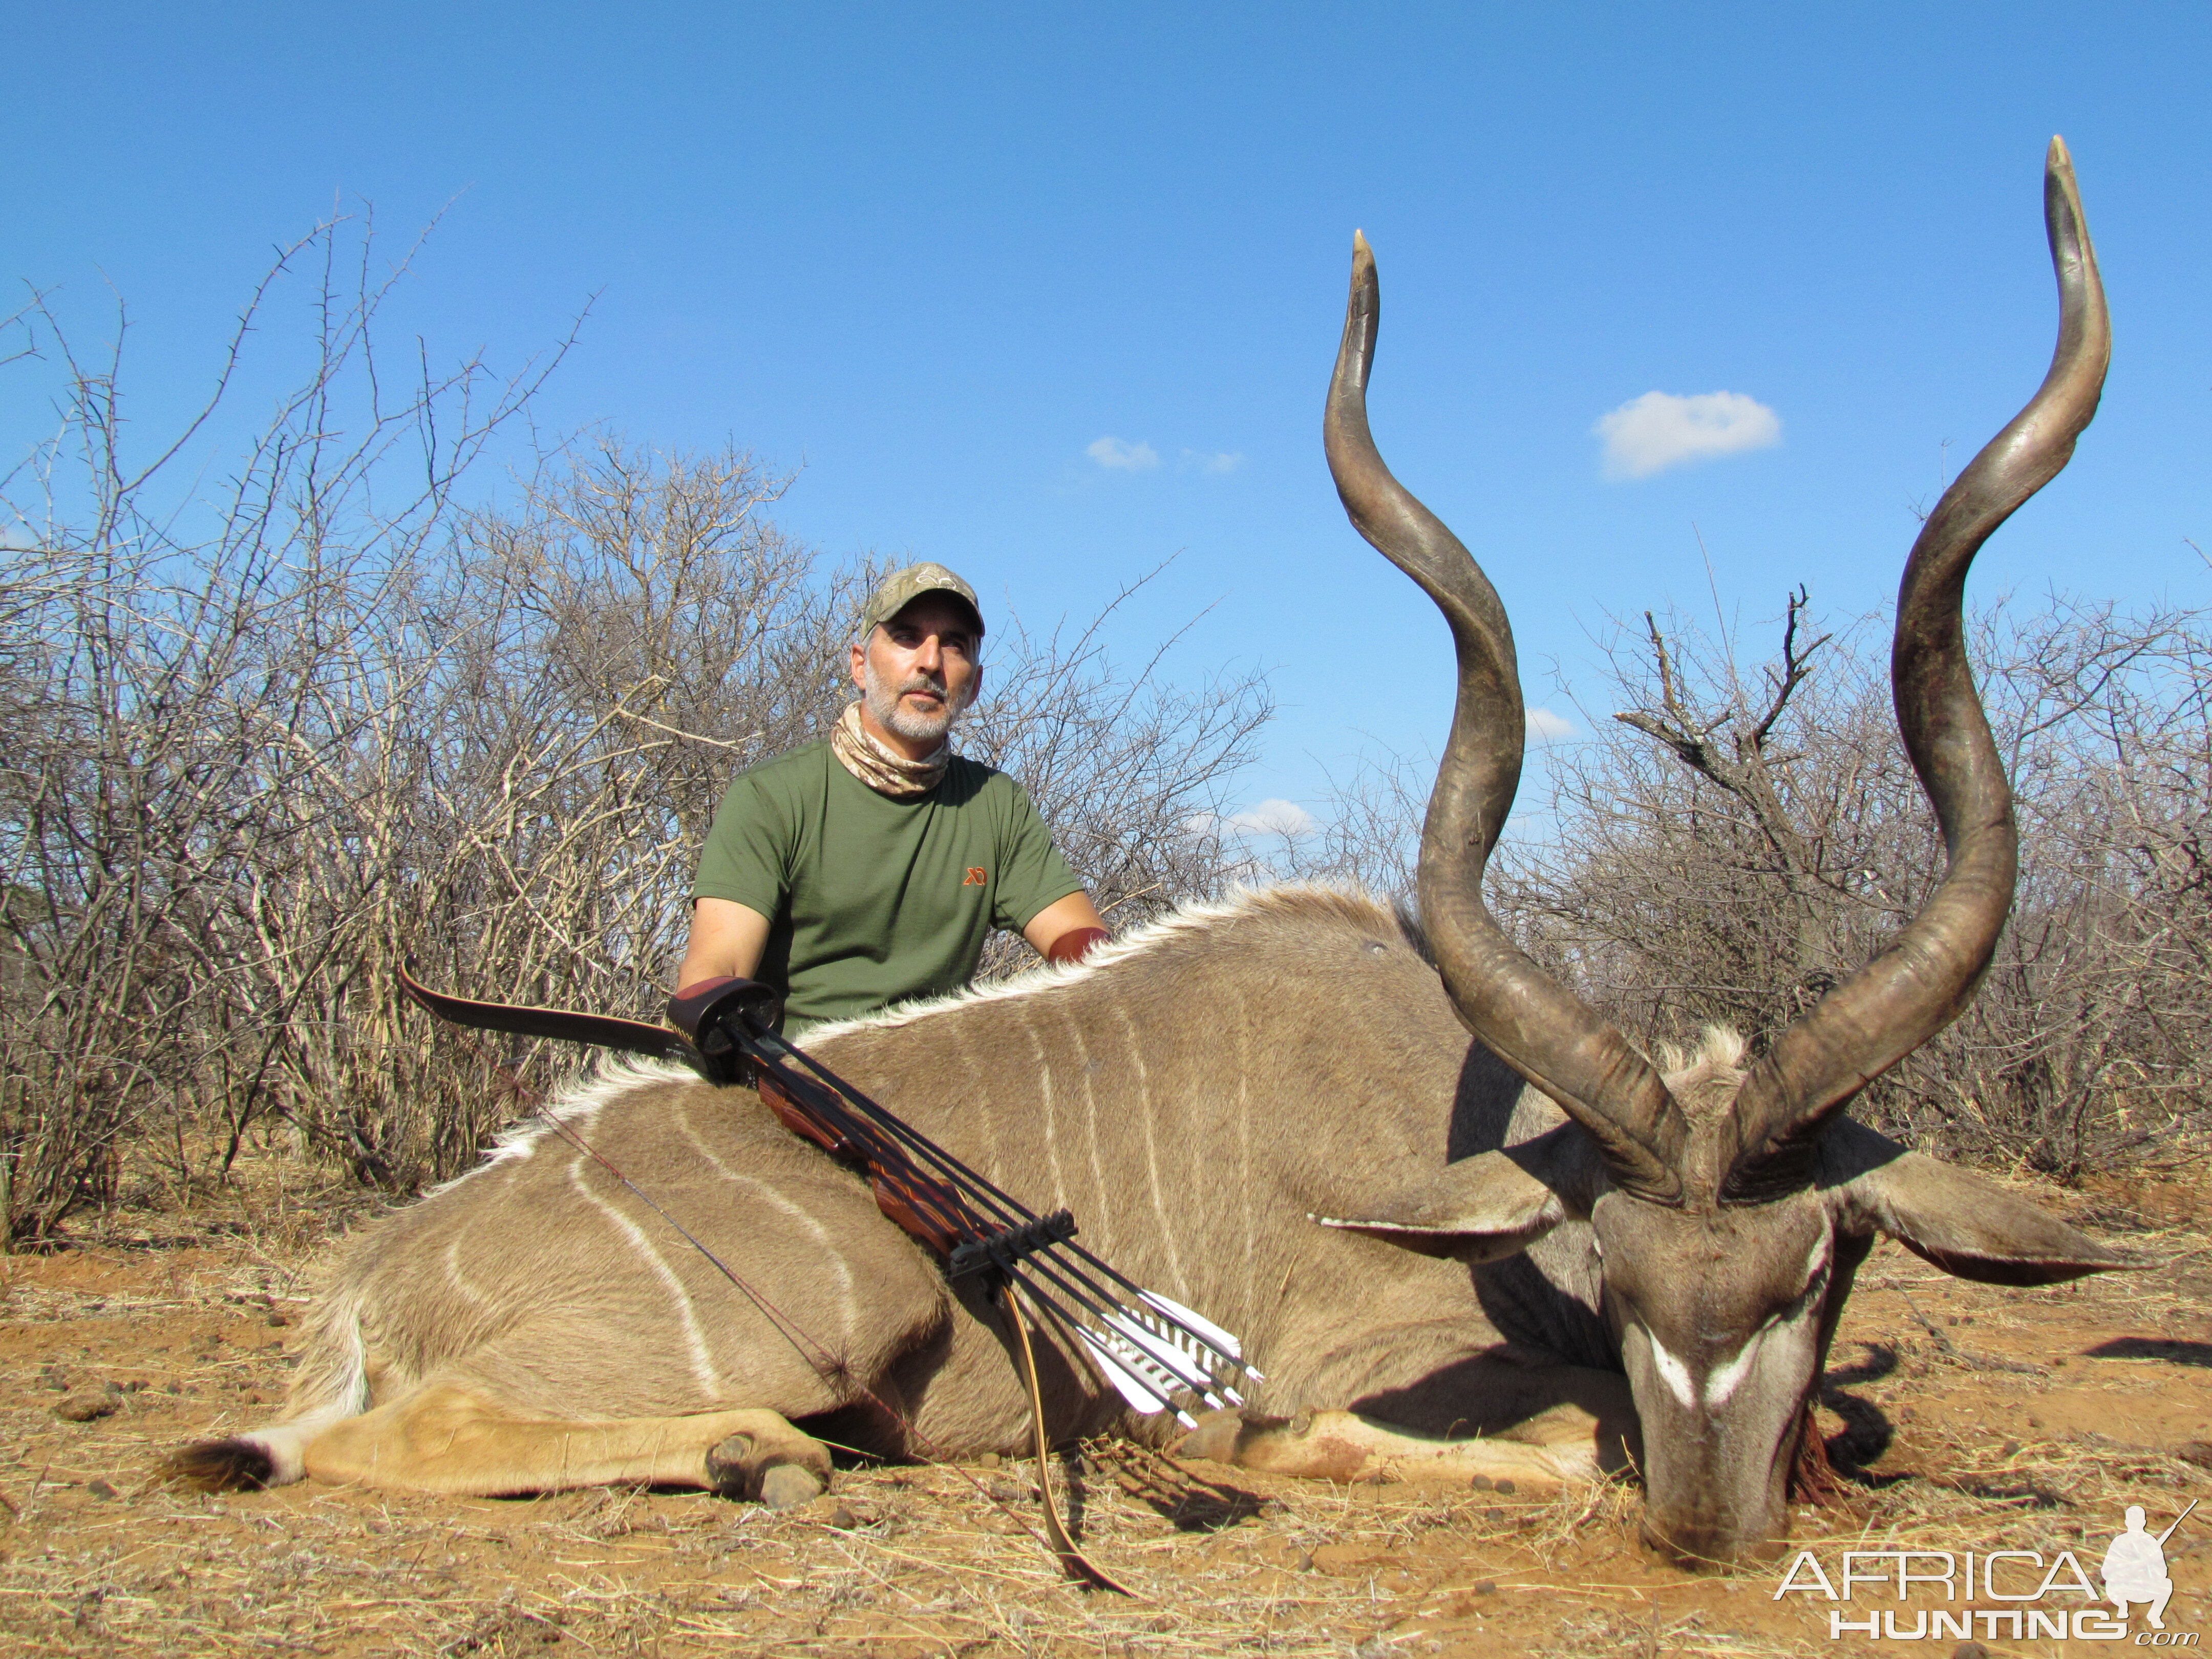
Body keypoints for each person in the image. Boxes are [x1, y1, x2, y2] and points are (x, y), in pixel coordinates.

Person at [676, 562, 1109, 1038]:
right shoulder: (772, 795)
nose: (930, 662)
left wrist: (1117, 978)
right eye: (907, 637)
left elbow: (1076, 936)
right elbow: (718, 966)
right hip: (797, 1081)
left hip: (940, 1083)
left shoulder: (997, 804)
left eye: (954, 644)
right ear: (860, 664)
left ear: (975, 685)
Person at [2101, 1504, 2175, 1629]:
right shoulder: (2119, 1541)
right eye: (2132, 1520)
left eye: (2138, 1520)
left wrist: (2148, 1565)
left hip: (2144, 1587)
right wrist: (2127, 1569)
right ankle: (2122, 1607)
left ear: (2144, 1522)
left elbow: (2163, 1571)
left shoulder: (2150, 1541)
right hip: (2122, 1587)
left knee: (2167, 1584)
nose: (2135, 1523)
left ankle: (2155, 1615)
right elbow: (2106, 1571)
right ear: (2127, 1522)